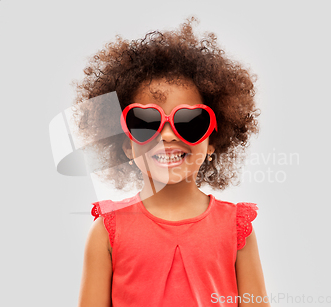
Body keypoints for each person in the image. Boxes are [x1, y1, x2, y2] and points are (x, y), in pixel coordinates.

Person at [74, 16, 270, 307]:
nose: (167, 136)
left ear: (213, 140)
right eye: (145, 122)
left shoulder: (236, 228)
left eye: (189, 122)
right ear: (126, 145)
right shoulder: (107, 229)